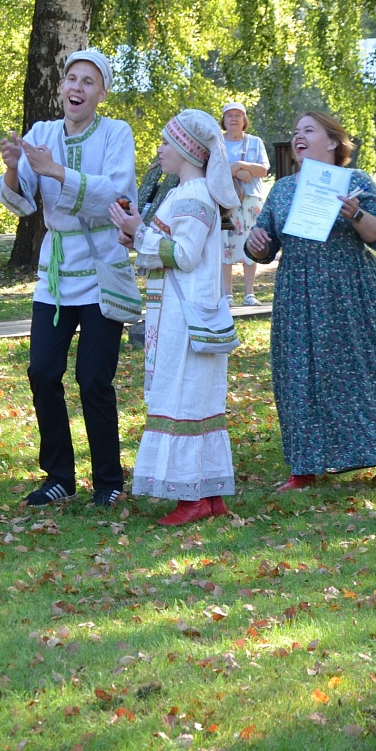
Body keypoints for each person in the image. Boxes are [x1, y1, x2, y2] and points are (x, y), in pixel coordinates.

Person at [0, 49, 137, 509]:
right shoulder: (42, 133)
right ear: (61, 87)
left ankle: (108, 480)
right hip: (55, 272)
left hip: (102, 271)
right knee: (41, 371)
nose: (76, 88)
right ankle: (59, 475)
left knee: (94, 378)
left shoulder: (116, 133)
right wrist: (15, 166)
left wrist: (56, 169)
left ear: (102, 92)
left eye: (88, 82)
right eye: (71, 79)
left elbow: (115, 195)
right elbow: (21, 203)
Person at [246, 111, 376, 491]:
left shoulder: (354, 182)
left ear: (333, 142)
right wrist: (255, 244)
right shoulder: (283, 189)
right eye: (295, 131)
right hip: (298, 293)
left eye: (308, 130)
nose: (298, 137)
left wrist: (356, 213)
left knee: (366, 371)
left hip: (350, 290)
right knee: (300, 375)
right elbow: (263, 246)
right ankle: (303, 467)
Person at [110, 111, 241, 525]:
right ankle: (210, 491)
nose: (160, 150)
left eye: (167, 142)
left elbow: (182, 254)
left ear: (188, 149)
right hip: (183, 310)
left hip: (184, 317)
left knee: (182, 397)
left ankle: (192, 498)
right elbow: (171, 247)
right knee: (198, 397)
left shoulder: (193, 194)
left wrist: (141, 232)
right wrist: (137, 234)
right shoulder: (186, 192)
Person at [219, 102, 270, 305]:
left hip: (250, 199)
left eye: (238, 115)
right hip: (225, 201)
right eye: (229, 115)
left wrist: (241, 165)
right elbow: (210, 170)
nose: (233, 119)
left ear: (244, 120)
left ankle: (249, 294)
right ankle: (227, 295)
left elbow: (263, 170)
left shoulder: (255, 142)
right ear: (223, 120)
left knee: (251, 243)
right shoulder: (218, 143)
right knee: (225, 246)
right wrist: (237, 171)